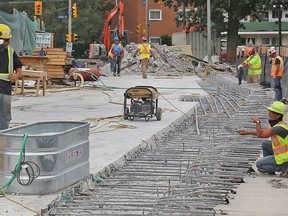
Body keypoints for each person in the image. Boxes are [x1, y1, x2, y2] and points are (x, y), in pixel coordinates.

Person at [238, 101, 288, 176]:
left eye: (272, 112)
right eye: (269, 111)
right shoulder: (277, 124)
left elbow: (261, 134)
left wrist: (258, 122)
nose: (269, 113)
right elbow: (263, 132)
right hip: (282, 155)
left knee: (259, 165)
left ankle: (284, 168)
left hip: (284, 158)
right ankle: (271, 170)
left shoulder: (279, 128)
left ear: (278, 115)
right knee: (265, 144)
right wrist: (248, 132)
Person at [0, 24, 22, 130]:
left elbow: (18, 66)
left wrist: (16, 75)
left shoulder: (10, 51)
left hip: (5, 89)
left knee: (5, 117)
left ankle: (3, 139)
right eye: (6, 40)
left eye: (8, 39)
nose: (9, 42)